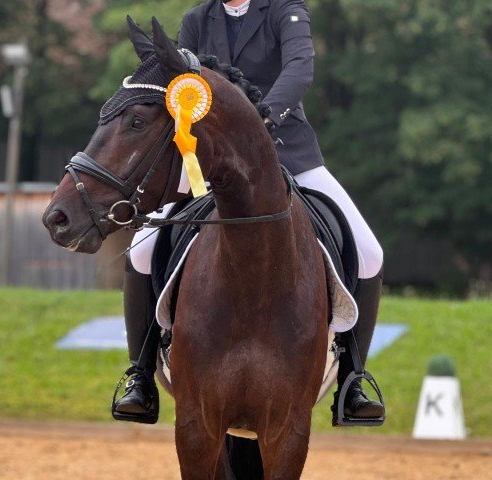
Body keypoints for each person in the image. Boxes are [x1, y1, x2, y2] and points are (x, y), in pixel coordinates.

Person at [113, 0, 385, 426]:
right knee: (140, 251)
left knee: (369, 253)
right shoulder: (197, 20)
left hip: (288, 151)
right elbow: (182, 86)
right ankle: (141, 375)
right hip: (213, 160)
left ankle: (354, 380)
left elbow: (299, 68)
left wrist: (262, 119)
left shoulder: (285, 11)